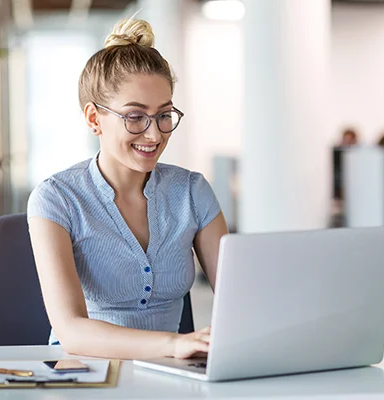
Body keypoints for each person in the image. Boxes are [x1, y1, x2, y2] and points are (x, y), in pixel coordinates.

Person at [26, 18, 229, 360]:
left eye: (165, 115)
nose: (154, 135)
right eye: (135, 117)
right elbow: (71, 330)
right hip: (85, 373)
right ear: (94, 119)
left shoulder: (192, 192)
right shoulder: (56, 198)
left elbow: (240, 302)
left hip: (171, 374)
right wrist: (173, 344)